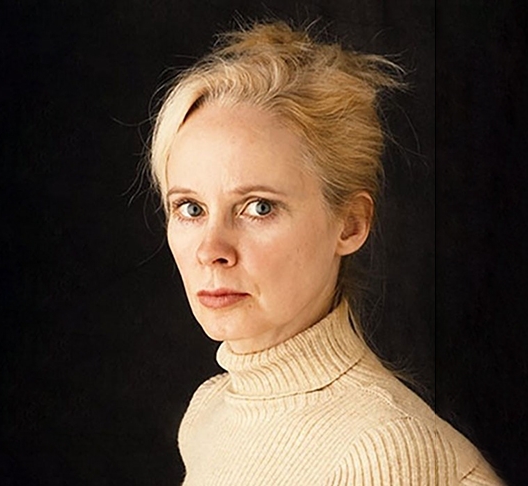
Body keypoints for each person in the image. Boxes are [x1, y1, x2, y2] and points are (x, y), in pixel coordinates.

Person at [148, 20, 503, 485]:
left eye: (259, 207)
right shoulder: (210, 412)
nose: (211, 250)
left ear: (351, 224)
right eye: (190, 208)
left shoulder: (384, 451)